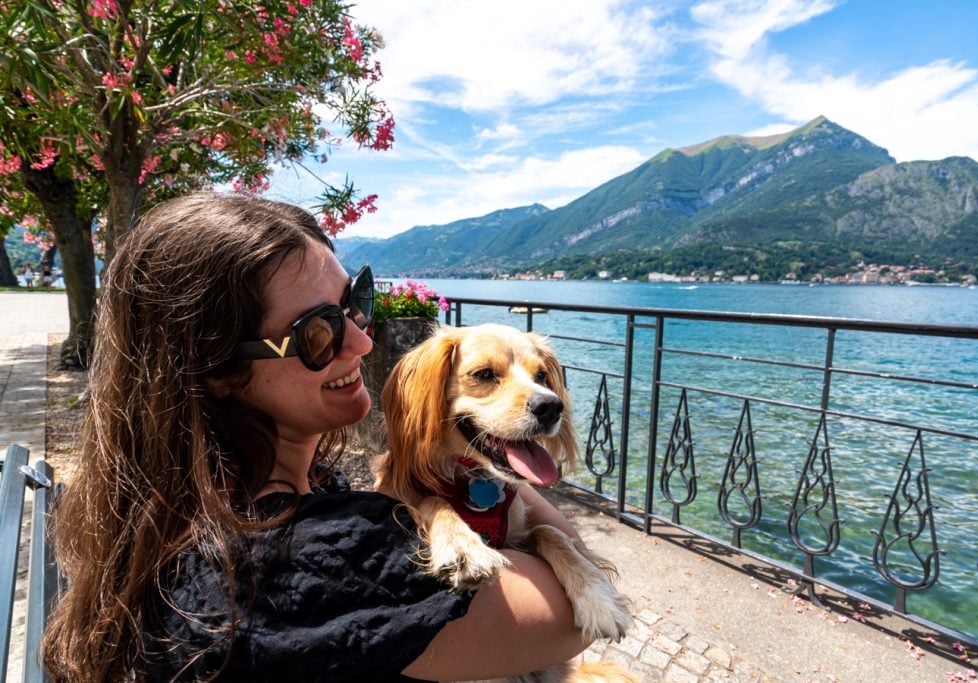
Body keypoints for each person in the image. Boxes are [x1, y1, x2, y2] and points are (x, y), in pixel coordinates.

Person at [41, 193, 591, 682]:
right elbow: (569, 624)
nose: (362, 343)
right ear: (218, 371)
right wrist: (499, 456)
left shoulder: (191, 505)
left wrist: (495, 453)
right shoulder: (300, 564)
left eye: (357, 302)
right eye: (318, 332)